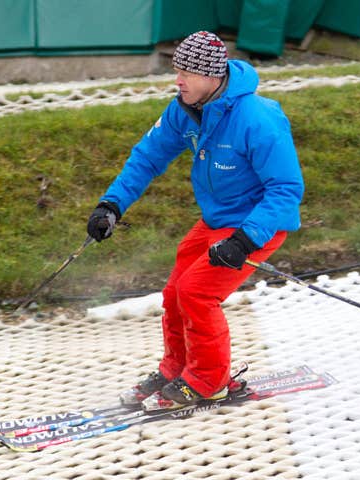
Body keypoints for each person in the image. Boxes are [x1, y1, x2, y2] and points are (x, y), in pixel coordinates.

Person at [86, 31, 304, 409]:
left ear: (212, 76)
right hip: (216, 220)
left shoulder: (258, 118)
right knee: (174, 294)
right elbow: (147, 157)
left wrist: (244, 241)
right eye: (177, 70)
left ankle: (209, 381)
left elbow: (285, 189)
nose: (178, 80)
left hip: (255, 226)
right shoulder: (183, 110)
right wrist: (112, 204)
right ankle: (178, 369)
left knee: (197, 294)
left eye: (186, 72)